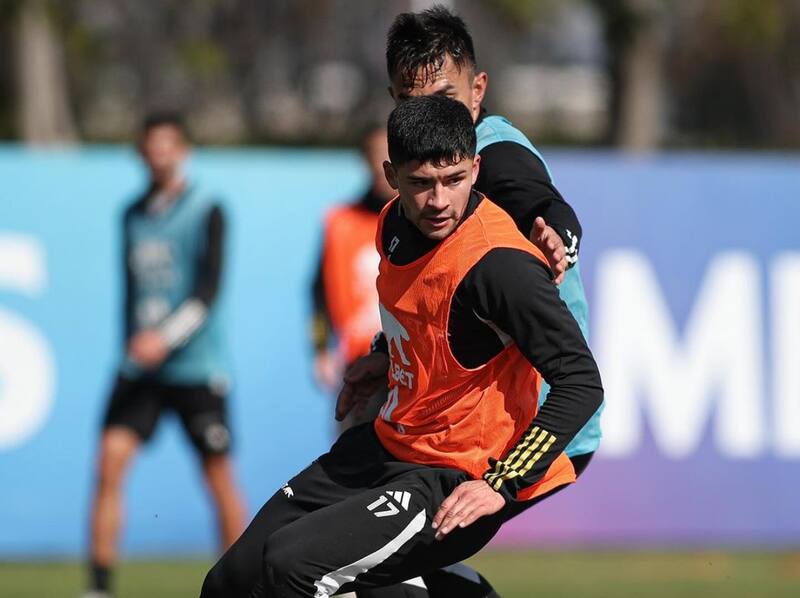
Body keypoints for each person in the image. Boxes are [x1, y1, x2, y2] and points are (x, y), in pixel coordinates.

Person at [200, 95, 603, 598]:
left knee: (293, 568)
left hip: (453, 477)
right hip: (388, 445)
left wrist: (502, 483)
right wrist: (384, 356)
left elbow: (581, 381)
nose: (438, 201)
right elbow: (426, 317)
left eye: (453, 180)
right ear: (392, 175)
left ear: (476, 168)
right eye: (420, 183)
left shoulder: (502, 265)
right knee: (230, 582)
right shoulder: (394, 225)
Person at [85, 113, 246, 598]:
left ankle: (242, 584)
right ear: (140, 153)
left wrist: (165, 338)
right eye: (150, 146)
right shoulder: (131, 214)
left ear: (183, 150)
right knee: (108, 462)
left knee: (218, 475)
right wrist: (132, 347)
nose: (159, 155)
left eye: (168, 145)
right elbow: (131, 292)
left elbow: (207, 290)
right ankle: (98, 586)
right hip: (141, 368)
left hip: (196, 366)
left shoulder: (207, 208)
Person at [311, 126, 395, 432]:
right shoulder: (340, 222)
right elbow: (317, 291)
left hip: (416, 365)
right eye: (374, 155)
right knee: (351, 461)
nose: (382, 164)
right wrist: (320, 348)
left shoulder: (427, 221)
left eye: (390, 153)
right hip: (360, 363)